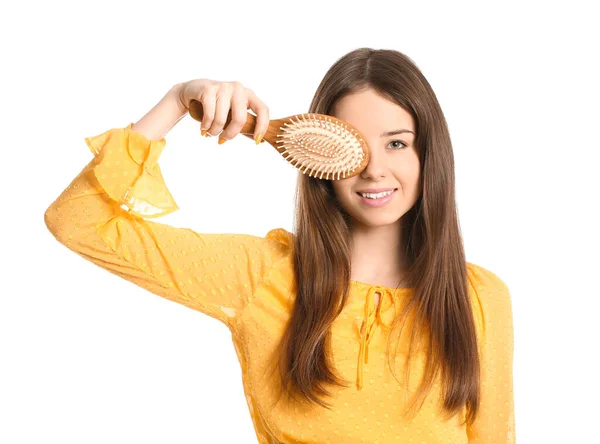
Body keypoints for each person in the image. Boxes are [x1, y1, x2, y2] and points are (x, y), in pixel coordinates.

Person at [44, 47, 515, 443]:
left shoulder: (480, 297)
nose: (374, 169)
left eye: (396, 144)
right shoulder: (261, 274)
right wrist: (174, 102)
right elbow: (78, 222)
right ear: (317, 159)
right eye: (355, 146)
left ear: (429, 153)